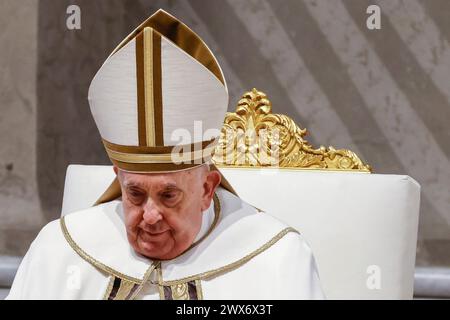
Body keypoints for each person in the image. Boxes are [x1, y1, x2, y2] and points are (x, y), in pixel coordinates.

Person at [7, 9, 324, 300]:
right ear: (118, 178)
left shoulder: (276, 258)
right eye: (134, 193)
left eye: (168, 195)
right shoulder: (58, 250)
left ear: (206, 188)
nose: (149, 216)